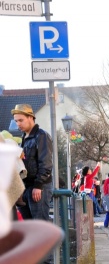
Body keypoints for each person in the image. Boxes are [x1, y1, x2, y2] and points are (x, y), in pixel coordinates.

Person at [12, 104, 53, 263]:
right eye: (16, 121)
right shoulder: (25, 137)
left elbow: (46, 164)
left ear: (31, 118)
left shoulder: (41, 136)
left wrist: (38, 185)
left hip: (38, 187)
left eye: (21, 120)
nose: (18, 124)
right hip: (27, 187)